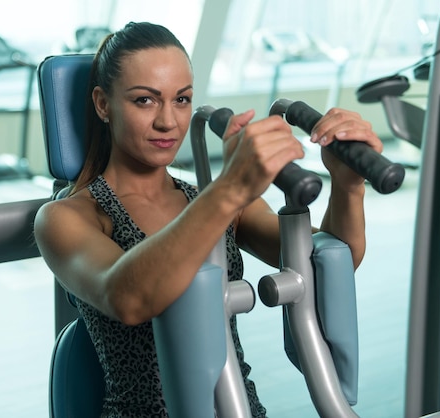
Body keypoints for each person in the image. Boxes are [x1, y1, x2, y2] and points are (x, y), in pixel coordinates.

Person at [34, 21, 382, 418]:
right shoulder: (66, 217)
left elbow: (330, 263)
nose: (168, 121)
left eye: (181, 100)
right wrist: (230, 189)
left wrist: (347, 184)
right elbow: (128, 298)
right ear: (102, 104)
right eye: (145, 101)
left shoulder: (209, 201)